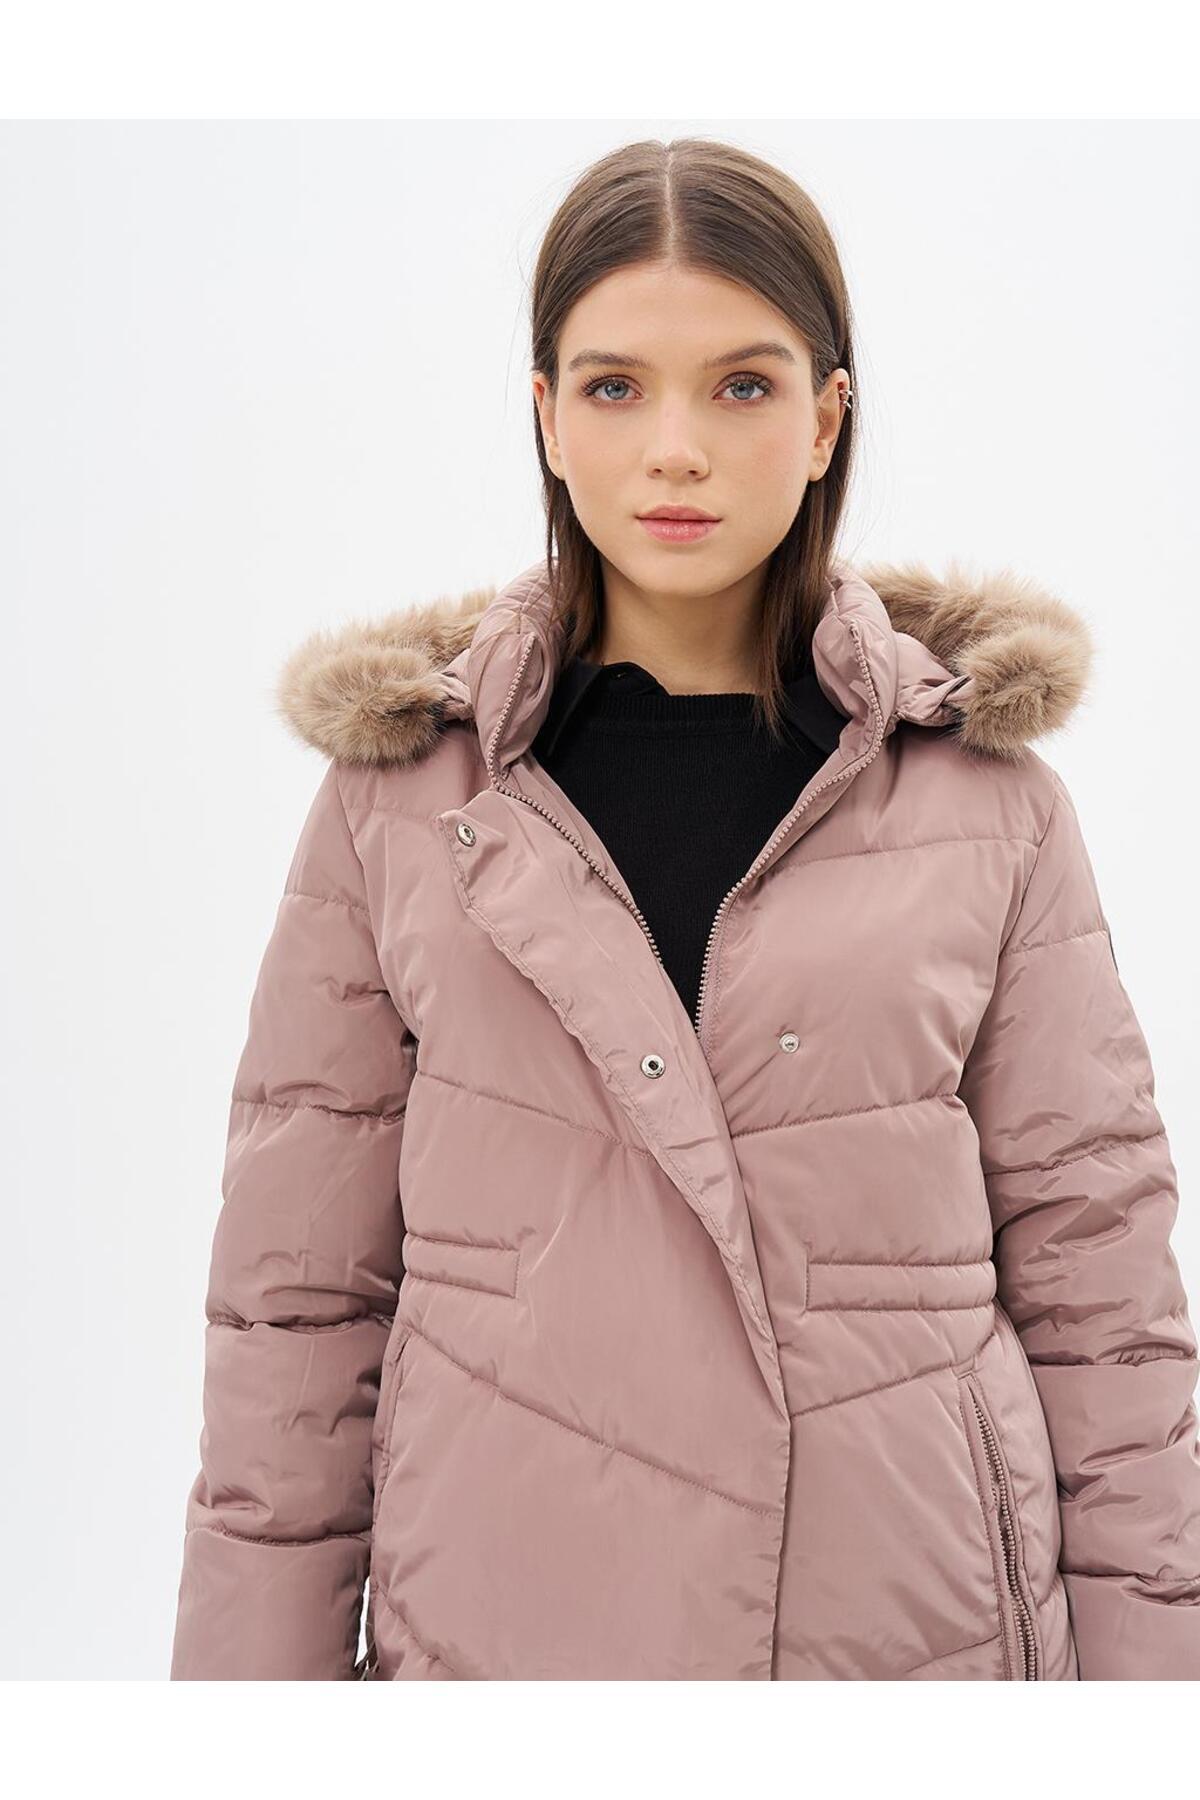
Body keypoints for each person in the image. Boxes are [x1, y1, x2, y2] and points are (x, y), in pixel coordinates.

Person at [169, 137, 1200, 1681]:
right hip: (511, 1636)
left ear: (826, 416)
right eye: (613, 387)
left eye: (740, 386)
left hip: (906, 1648)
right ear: (544, 413)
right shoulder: (401, 803)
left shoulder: (988, 803)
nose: (675, 450)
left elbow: (1103, 1299)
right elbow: (294, 1321)